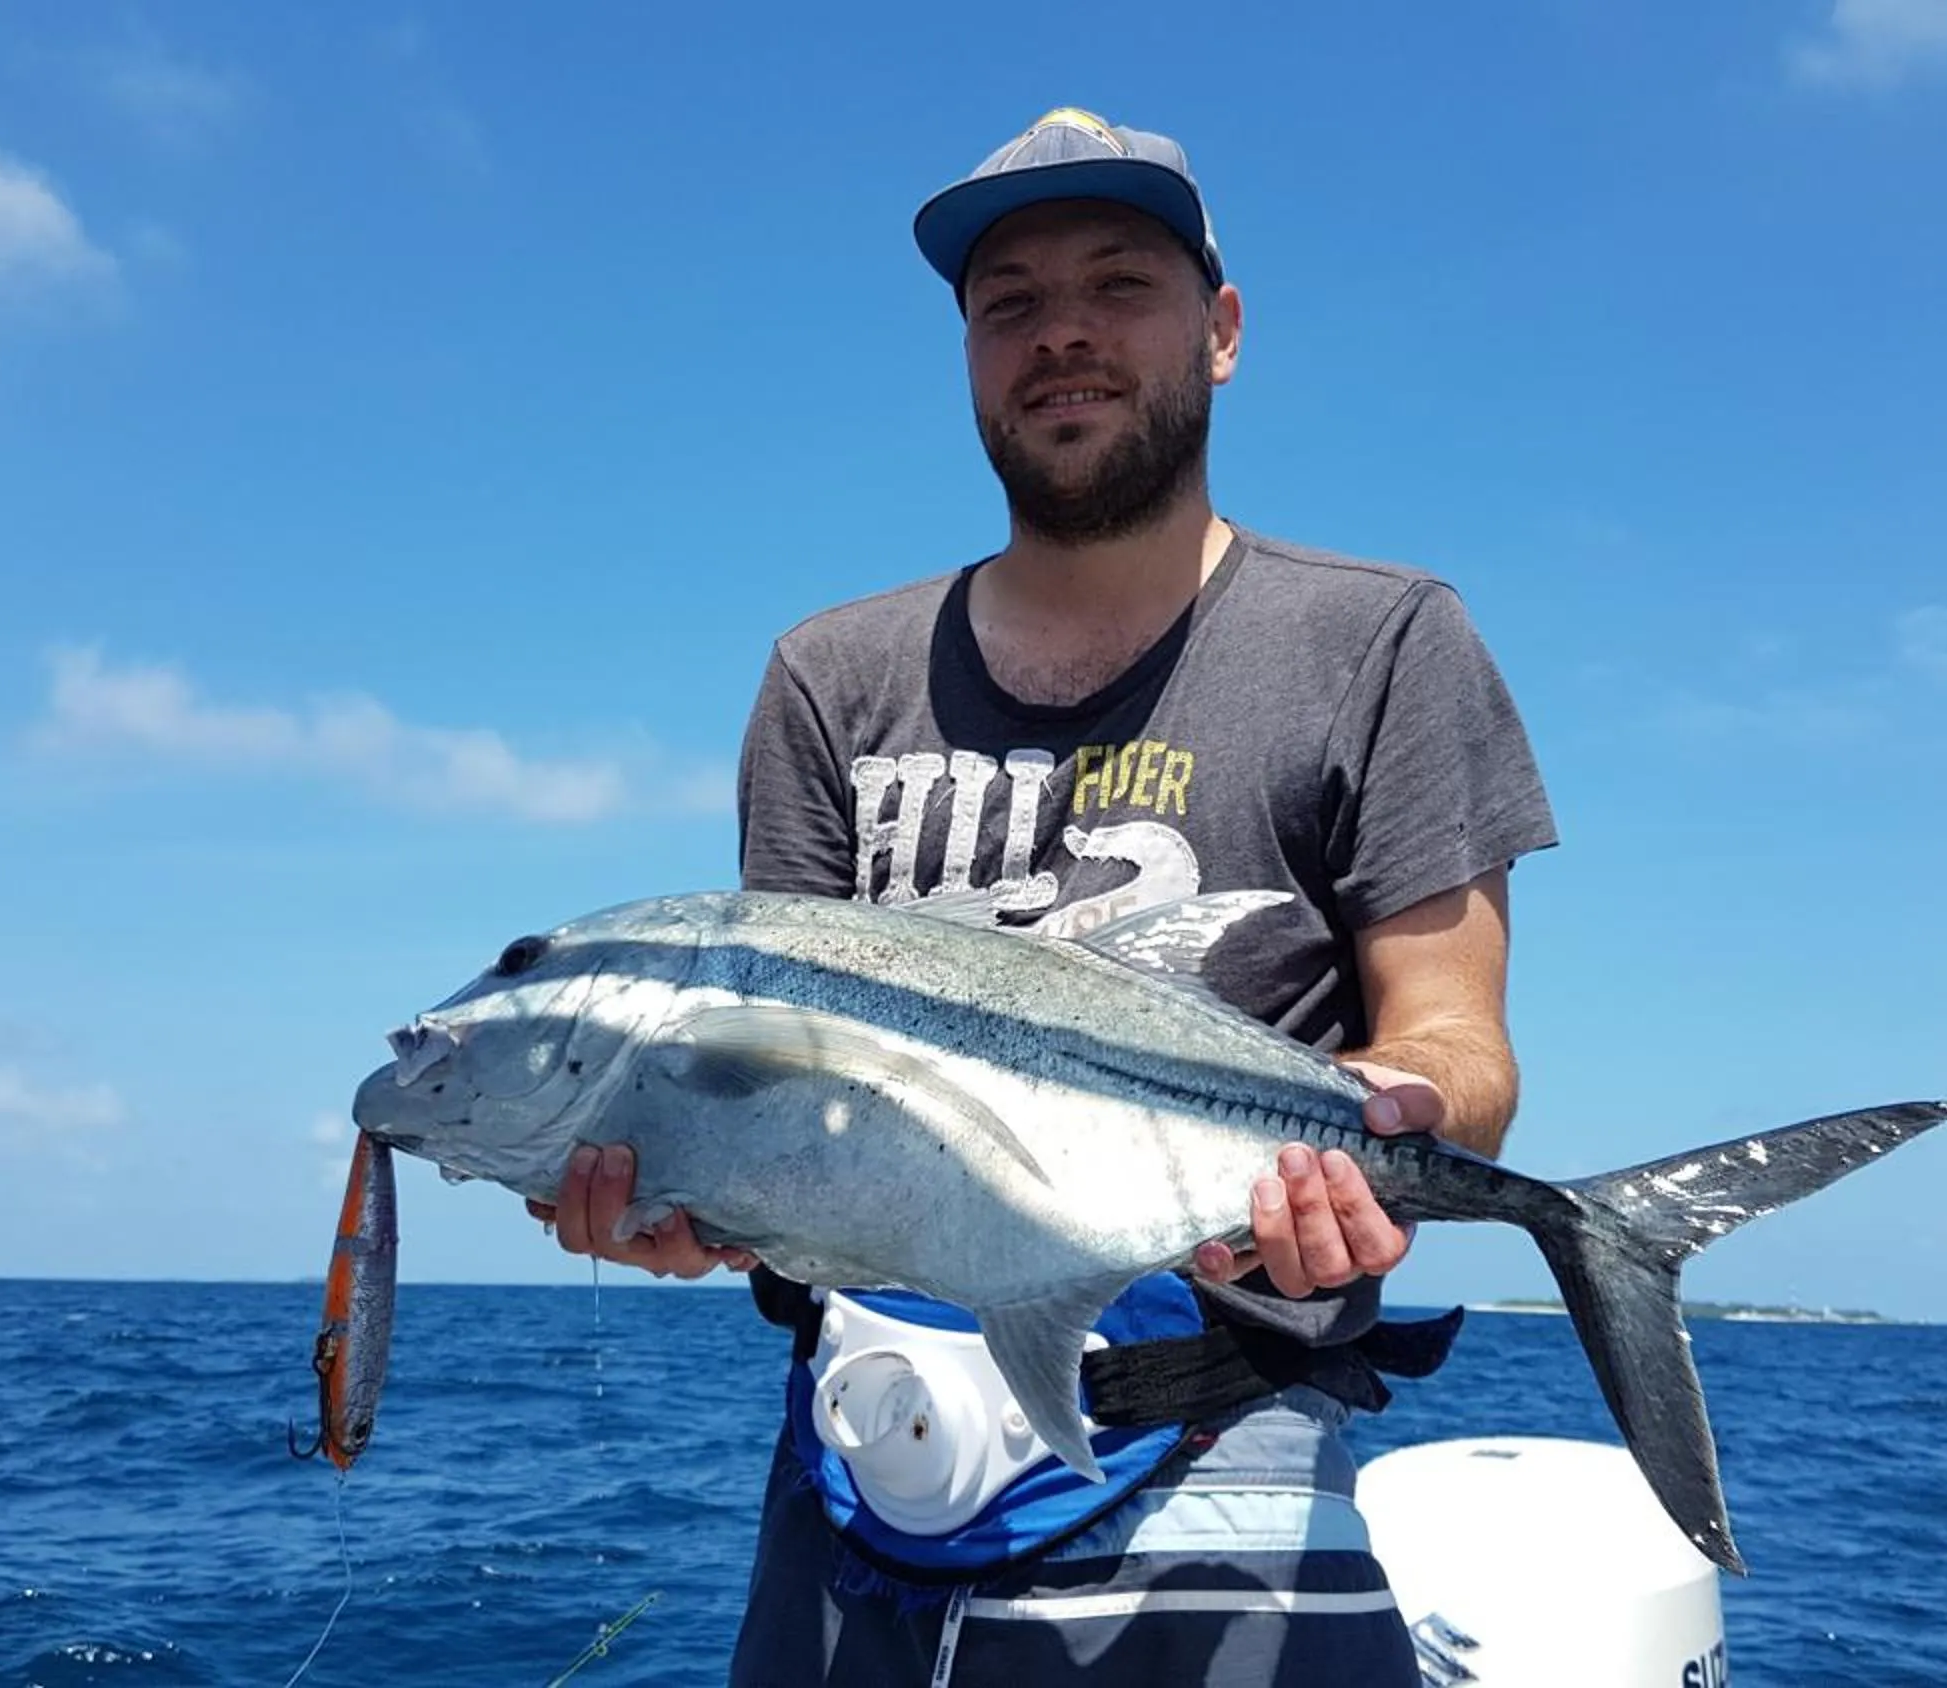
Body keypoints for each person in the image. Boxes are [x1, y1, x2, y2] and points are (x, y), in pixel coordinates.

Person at [530, 106, 1558, 1685]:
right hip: (858, 1480)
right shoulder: (829, 677)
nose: (1061, 332)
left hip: (1220, 1454)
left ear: (1221, 331)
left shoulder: (1382, 642)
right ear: (968, 357)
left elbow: (1458, 1043)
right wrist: (697, 1208)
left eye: (1118, 284)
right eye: (1009, 302)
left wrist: (1383, 1127)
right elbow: (779, 1099)